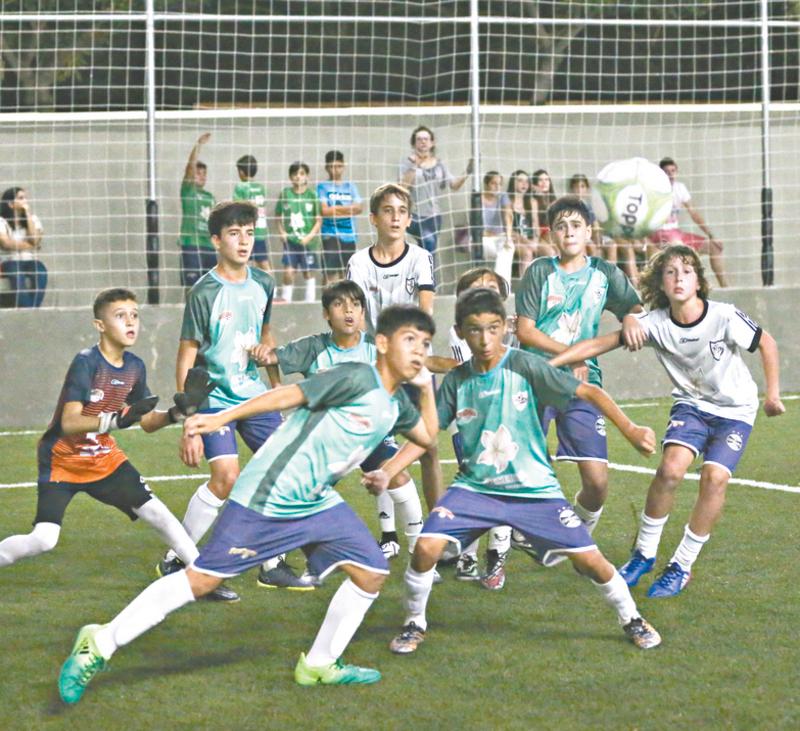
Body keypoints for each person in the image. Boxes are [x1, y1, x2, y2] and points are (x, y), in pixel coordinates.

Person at [57, 305, 439, 704]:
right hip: (271, 493)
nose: (418, 350)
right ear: (380, 343)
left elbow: (427, 436)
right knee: (204, 578)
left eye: (425, 344)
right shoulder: (359, 376)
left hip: (316, 501)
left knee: (371, 572)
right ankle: (99, 642)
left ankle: (320, 664)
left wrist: (426, 389)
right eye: (409, 340)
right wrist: (219, 417)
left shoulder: (398, 405)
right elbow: (287, 395)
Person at [361, 288, 661, 655]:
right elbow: (426, 435)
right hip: (475, 489)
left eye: (492, 328)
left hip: (534, 490)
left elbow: (590, 393)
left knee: (591, 561)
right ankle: (414, 623)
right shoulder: (457, 381)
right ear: (459, 331)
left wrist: (630, 430)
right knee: (425, 548)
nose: (484, 340)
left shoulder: (524, 365)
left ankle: (632, 618)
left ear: (504, 327)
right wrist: (387, 470)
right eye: (474, 330)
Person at [549, 244, 784, 597]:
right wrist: (551, 363)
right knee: (671, 470)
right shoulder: (655, 324)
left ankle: (681, 565)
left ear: (699, 281)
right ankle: (643, 554)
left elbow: (766, 342)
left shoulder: (724, 316)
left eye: (687, 271)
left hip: (735, 411)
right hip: (691, 406)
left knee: (714, 478)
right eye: (670, 272)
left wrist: (773, 394)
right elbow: (598, 344)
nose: (679, 278)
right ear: (660, 282)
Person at [0, 288, 206, 572]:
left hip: (103, 459)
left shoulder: (135, 366)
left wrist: (178, 413)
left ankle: (203, 577)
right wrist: (115, 420)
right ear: (100, 325)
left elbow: (145, 422)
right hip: (62, 460)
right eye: (120, 316)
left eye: (135, 315)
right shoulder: (86, 362)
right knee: (44, 539)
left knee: (158, 514)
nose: (131, 322)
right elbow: (69, 422)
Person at [158, 201, 304, 599]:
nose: (244, 241)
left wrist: (276, 391)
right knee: (225, 478)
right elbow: (186, 356)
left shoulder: (264, 283)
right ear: (216, 240)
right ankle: (178, 558)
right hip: (214, 402)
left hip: (254, 397)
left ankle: (271, 564)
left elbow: (266, 338)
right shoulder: (204, 291)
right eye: (235, 233)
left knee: (282, 469)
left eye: (250, 232)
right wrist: (190, 420)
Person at [249, 279, 425, 576]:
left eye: (356, 305)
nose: (349, 311)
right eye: (339, 304)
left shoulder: (377, 348)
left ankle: (420, 556)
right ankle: (273, 561)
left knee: (399, 477)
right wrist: (266, 361)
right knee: (294, 493)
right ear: (326, 313)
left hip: (369, 437)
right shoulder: (314, 347)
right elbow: (273, 357)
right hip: (323, 442)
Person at [515, 195, 645, 548]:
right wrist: (573, 354)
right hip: (534, 379)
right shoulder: (540, 271)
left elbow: (632, 305)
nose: (568, 232)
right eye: (560, 226)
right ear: (551, 235)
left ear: (589, 231)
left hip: (583, 383)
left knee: (597, 483)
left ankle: (576, 533)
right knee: (523, 468)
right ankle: (509, 539)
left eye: (575, 225)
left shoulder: (605, 274)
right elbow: (525, 331)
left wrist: (631, 315)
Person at [346, 183, 443, 559]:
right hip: (379, 366)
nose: (396, 217)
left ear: (410, 217)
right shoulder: (359, 262)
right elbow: (354, 314)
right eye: (388, 210)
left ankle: (438, 530)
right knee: (381, 447)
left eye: (402, 210)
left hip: (414, 365)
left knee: (429, 447)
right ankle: (388, 533)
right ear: (374, 218)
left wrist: (410, 350)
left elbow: (426, 311)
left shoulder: (420, 257)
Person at [447, 268, 514, 589]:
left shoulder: (509, 329)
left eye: (491, 287)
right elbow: (469, 370)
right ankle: (468, 550)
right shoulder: (459, 331)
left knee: (503, 482)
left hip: (505, 421)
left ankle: (497, 553)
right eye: (477, 288)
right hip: (470, 420)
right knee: (473, 482)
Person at [648, 157, 729, 288]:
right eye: (667, 171)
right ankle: (697, 287)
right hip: (661, 234)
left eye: (673, 171)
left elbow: (694, 213)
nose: (670, 174)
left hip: (676, 233)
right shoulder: (654, 190)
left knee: (714, 248)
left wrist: (711, 236)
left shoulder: (680, 188)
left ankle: (725, 288)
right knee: (682, 250)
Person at [398, 125, 472, 255]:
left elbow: (454, 185)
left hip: (433, 216)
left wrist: (468, 171)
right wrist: (415, 166)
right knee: (429, 242)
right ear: (414, 143)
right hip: (413, 215)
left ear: (432, 143)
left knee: (427, 247)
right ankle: (429, 274)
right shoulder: (407, 163)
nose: (423, 141)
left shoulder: (439, 164)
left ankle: (423, 273)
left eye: (426, 139)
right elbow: (402, 187)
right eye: (419, 139)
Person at [276, 161, 322, 303]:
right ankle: (285, 300)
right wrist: (282, 232)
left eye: (302, 174)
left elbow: (319, 220)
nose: (298, 177)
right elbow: (278, 217)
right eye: (295, 174)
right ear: (290, 177)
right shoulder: (285, 194)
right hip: (291, 242)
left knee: (308, 273)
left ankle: (310, 303)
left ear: (307, 176)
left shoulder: (312, 195)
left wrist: (309, 236)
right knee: (289, 272)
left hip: (308, 242)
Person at [317, 150, 363, 284]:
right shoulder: (322, 187)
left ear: (343, 166)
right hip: (330, 236)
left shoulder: (351, 186)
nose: (335, 170)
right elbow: (324, 211)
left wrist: (335, 210)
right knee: (329, 274)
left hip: (349, 236)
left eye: (338, 166)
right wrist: (349, 209)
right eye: (331, 166)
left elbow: (359, 208)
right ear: (326, 167)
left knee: (347, 275)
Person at [178, 132, 217, 288]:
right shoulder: (188, 190)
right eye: (198, 173)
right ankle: (191, 313)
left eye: (204, 174)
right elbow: (189, 167)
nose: (201, 176)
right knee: (193, 286)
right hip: (191, 244)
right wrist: (198, 145)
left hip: (208, 246)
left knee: (211, 287)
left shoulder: (210, 197)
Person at [0, 186, 47, 307]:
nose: (25, 201)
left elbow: (35, 239)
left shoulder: (33, 219)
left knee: (41, 272)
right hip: (10, 261)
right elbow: (6, 244)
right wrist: (30, 245)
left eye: (25, 198)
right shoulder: (2, 221)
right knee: (16, 275)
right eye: (21, 198)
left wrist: (27, 214)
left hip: (30, 260)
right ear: (10, 204)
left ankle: (31, 309)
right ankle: (30, 310)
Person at [507, 170, 554, 275]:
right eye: (520, 181)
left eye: (526, 181)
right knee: (527, 253)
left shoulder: (532, 201)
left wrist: (535, 240)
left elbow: (535, 224)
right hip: (516, 238)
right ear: (513, 183)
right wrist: (528, 242)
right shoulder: (508, 202)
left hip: (531, 238)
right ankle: (525, 288)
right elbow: (508, 230)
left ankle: (549, 285)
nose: (524, 184)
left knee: (550, 252)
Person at [233, 154, 271, 273]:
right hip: (260, 231)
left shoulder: (240, 187)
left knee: (241, 263)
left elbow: (237, 207)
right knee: (263, 262)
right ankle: (272, 290)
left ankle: (242, 290)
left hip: (247, 232)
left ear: (241, 172)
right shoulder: (261, 188)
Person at [477, 171, 515, 286]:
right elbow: (476, 224)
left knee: (508, 248)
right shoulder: (478, 198)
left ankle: (501, 285)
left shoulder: (503, 196)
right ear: (486, 184)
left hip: (499, 238)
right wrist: (485, 233)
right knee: (499, 251)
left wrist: (508, 237)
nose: (497, 187)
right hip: (482, 239)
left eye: (500, 184)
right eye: (494, 183)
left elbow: (507, 215)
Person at [567, 174, 604, 257]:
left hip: (588, 235)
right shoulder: (569, 206)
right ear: (572, 189)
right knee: (590, 247)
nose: (579, 190)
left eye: (582, 187)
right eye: (576, 187)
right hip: (577, 236)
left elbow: (595, 223)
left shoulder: (587, 206)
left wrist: (597, 235)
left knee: (610, 245)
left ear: (587, 189)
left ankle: (609, 269)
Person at [531, 168, 556, 244]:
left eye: (546, 180)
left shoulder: (553, 199)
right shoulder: (533, 200)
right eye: (540, 180)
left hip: (553, 230)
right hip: (540, 231)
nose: (544, 183)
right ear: (535, 183)